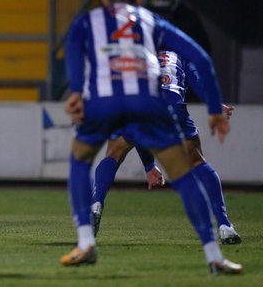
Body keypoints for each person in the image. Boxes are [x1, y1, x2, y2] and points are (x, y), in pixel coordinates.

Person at [59, 0, 241, 275]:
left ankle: (86, 240)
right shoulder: (152, 22)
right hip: (152, 102)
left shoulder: (88, 21)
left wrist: (76, 91)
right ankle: (215, 251)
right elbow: (201, 59)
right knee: (186, 170)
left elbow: (73, 50)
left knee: (82, 158)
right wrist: (212, 108)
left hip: (107, 101)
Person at [90, 50, 241, 245]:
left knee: (115, 151)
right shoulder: (180, 54)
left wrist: (148, 166)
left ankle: (96, 203)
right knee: (196, 160)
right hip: (171, 106)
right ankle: (225, 226)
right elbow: (197, 81)